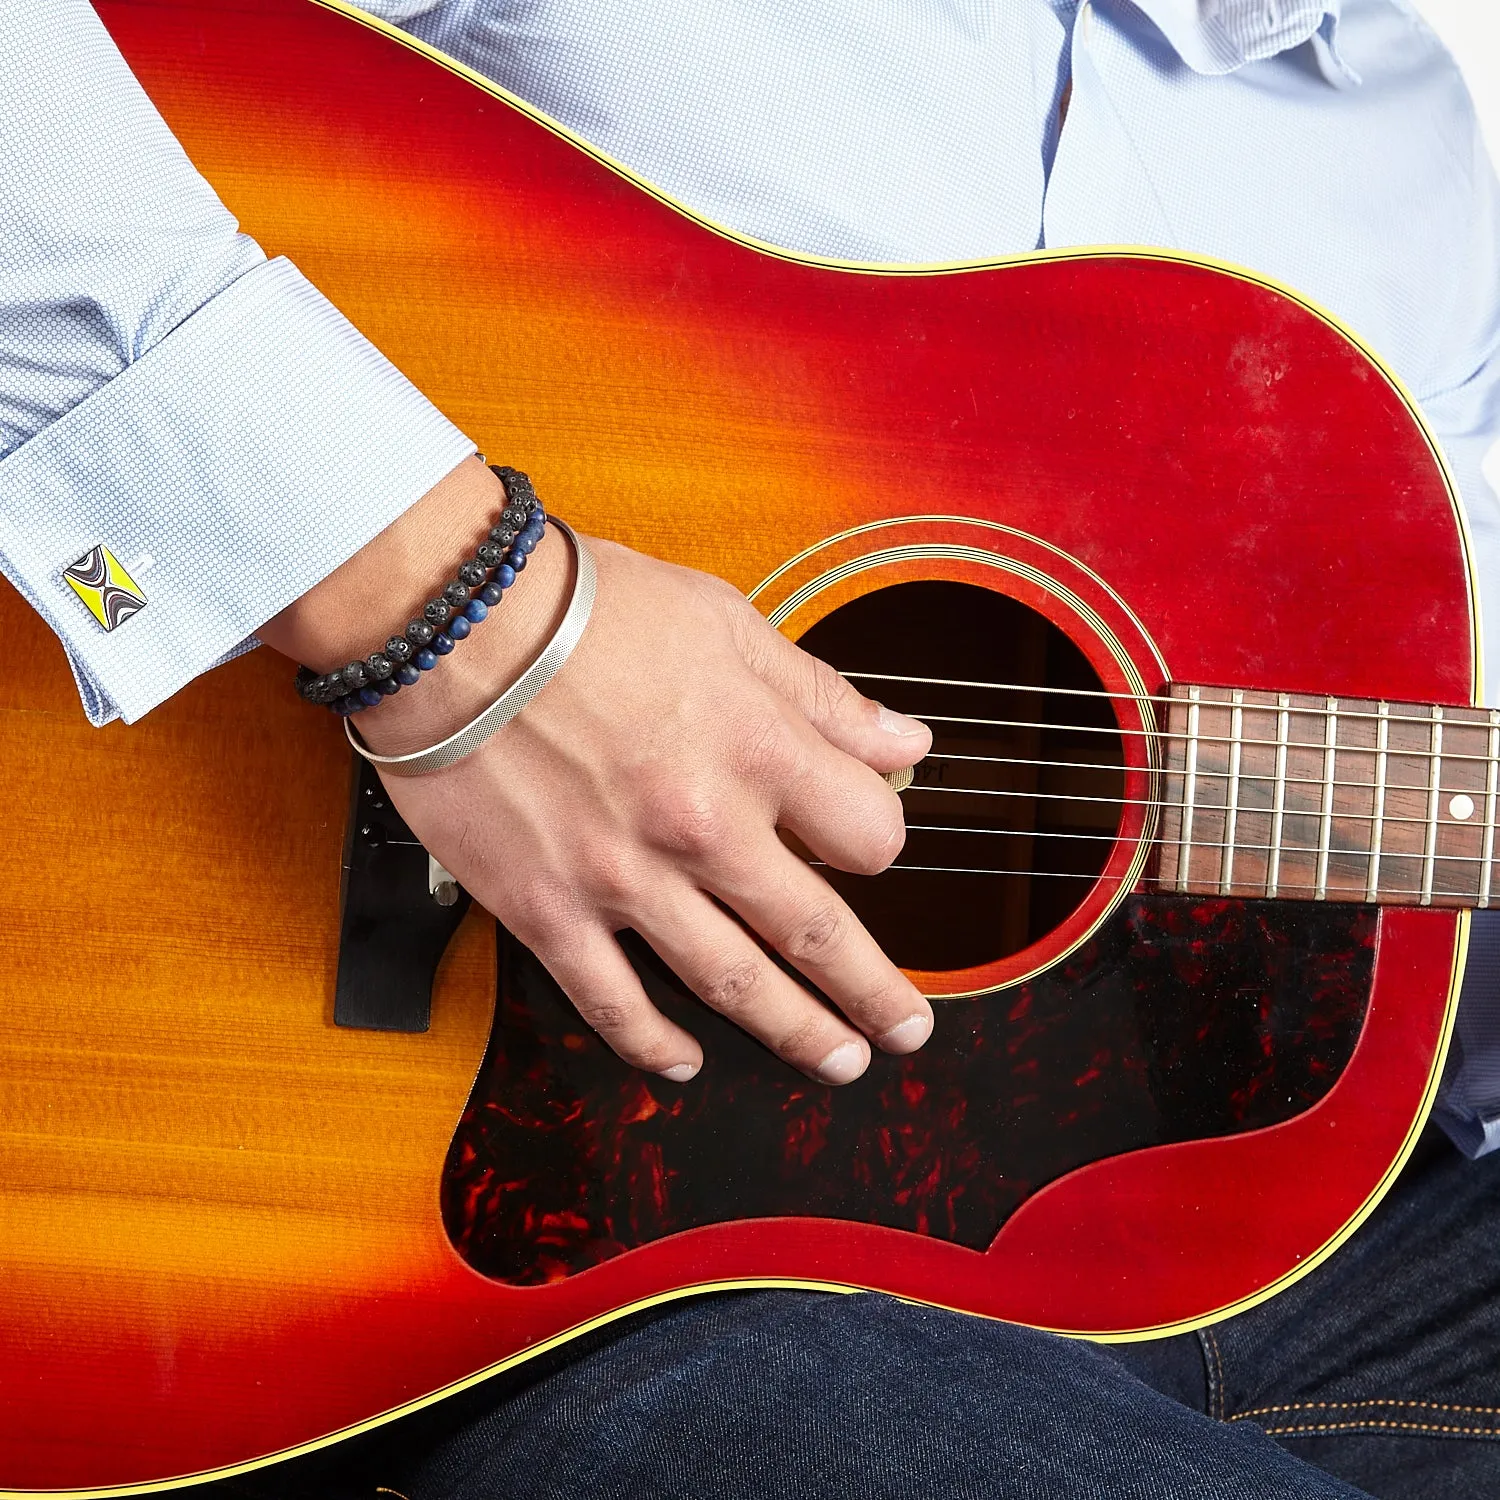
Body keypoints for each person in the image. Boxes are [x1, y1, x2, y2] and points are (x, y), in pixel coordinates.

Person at [4, 1, 1500, 1496]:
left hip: (1249, 1222)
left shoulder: (1393, 154)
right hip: (549, 1269)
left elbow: (1400, 740)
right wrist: (454, 615)